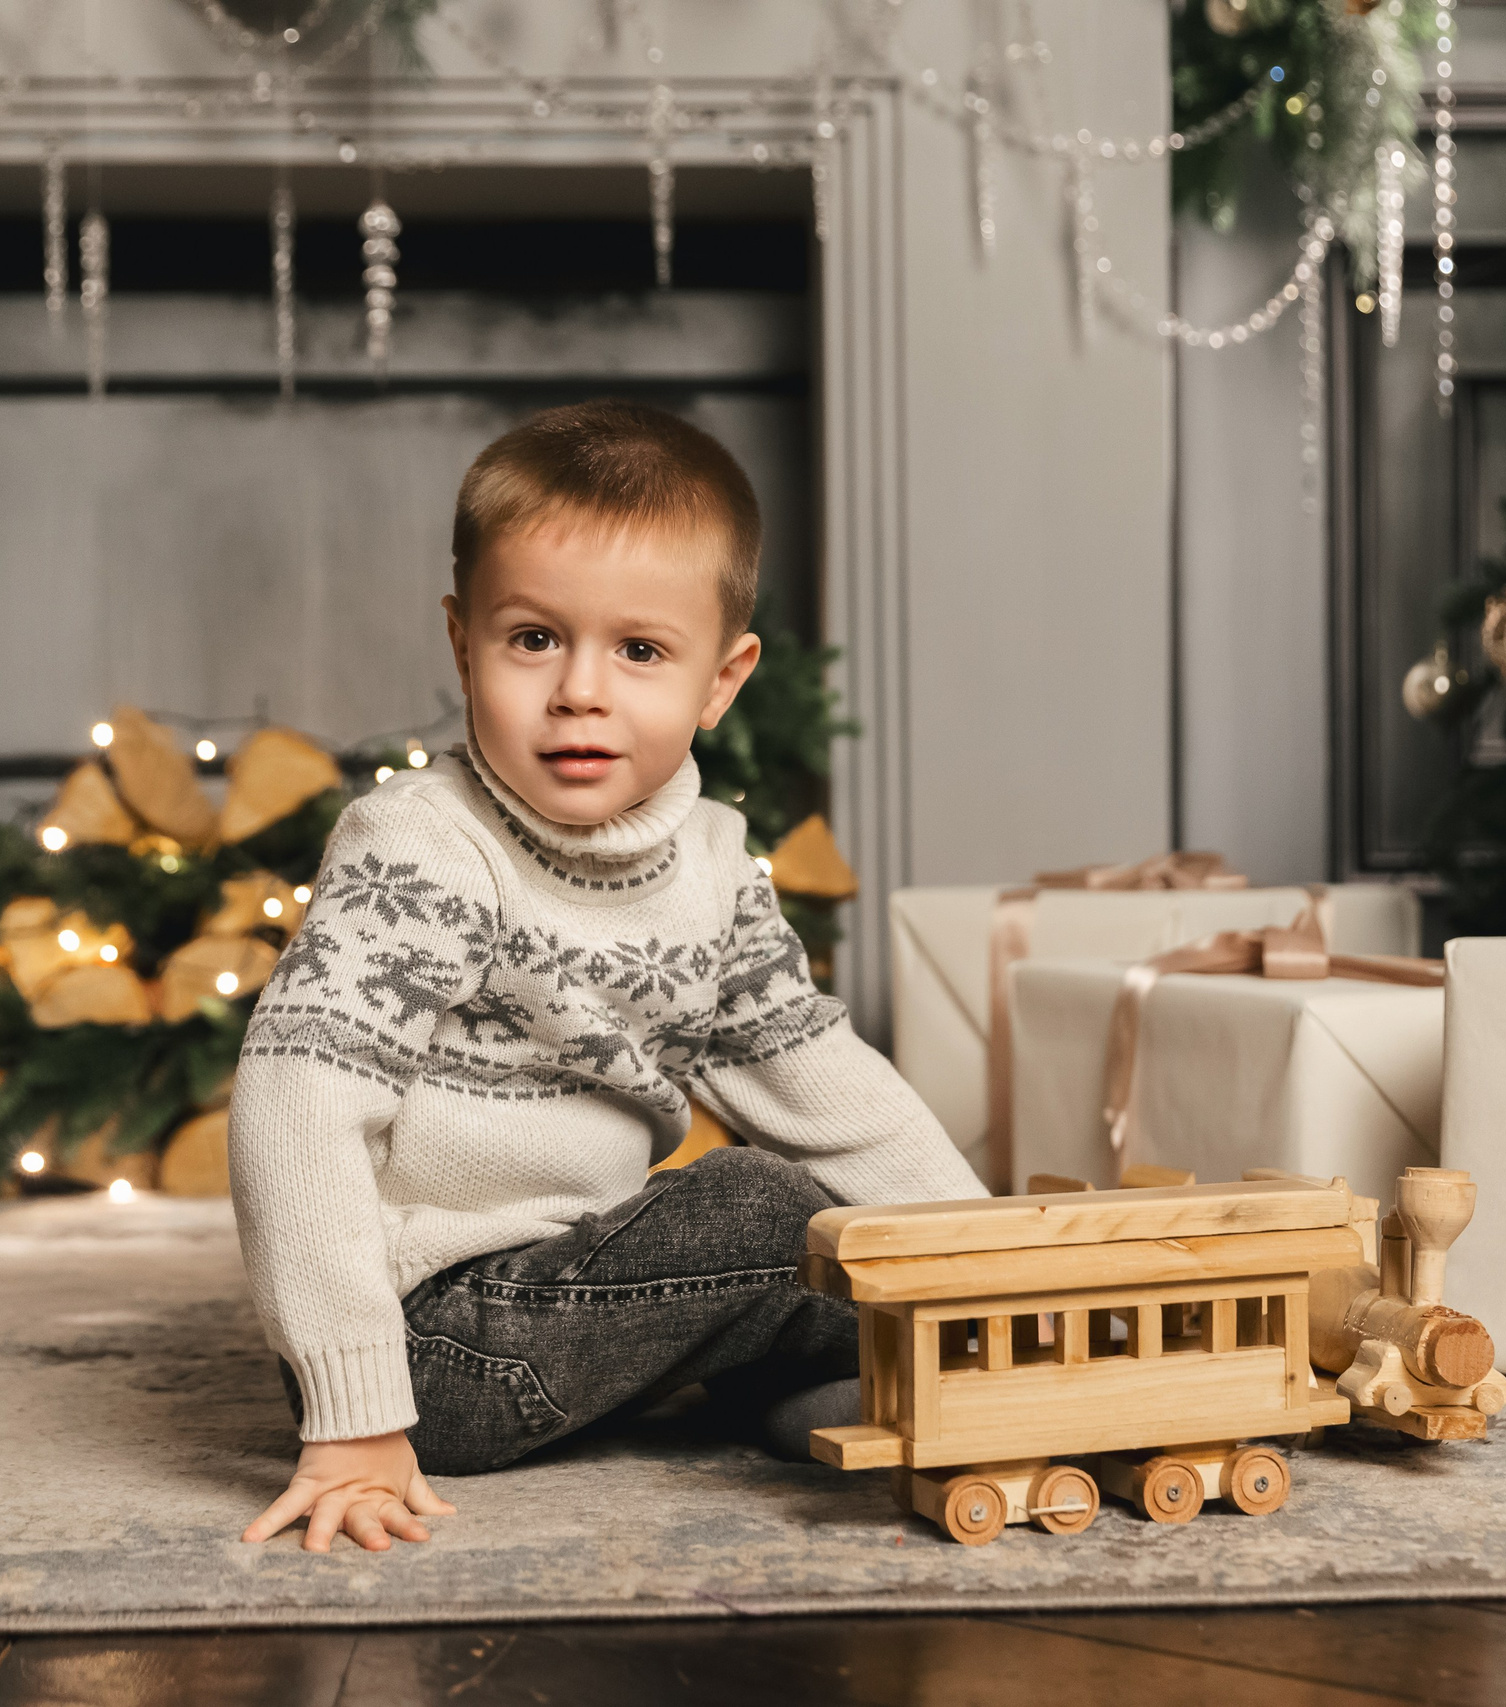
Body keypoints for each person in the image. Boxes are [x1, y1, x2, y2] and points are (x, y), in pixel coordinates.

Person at [229, 400, 985, 1555]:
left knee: (827, 1235)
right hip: (439, 1338)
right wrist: (355, 1409)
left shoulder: (717, 866)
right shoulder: (422, 847)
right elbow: (297, 1107)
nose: (580, 690)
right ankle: (812, 1365)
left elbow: (826, 1085)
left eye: (639, 652)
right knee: (761, 1205)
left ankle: (840, 1396)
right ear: (461, 640)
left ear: (720, 682)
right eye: (533, 639)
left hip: (590, 1279)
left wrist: (989, 1260)